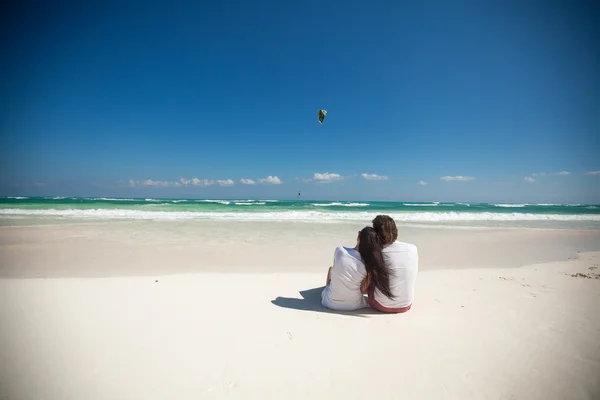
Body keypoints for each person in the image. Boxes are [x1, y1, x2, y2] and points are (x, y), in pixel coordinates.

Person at [363, 215, 418, 313]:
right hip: (406, 305)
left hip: (380, 305)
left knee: (369, 275)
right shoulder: (412, 248)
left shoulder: (377, 253)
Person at [321, 227, 383, 311]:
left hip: (330, 303)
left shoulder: (340, 250)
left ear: (358, 238)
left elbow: (338, 270)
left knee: (331, 270)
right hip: (353, 305)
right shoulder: (368, 264)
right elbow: (363, 289)